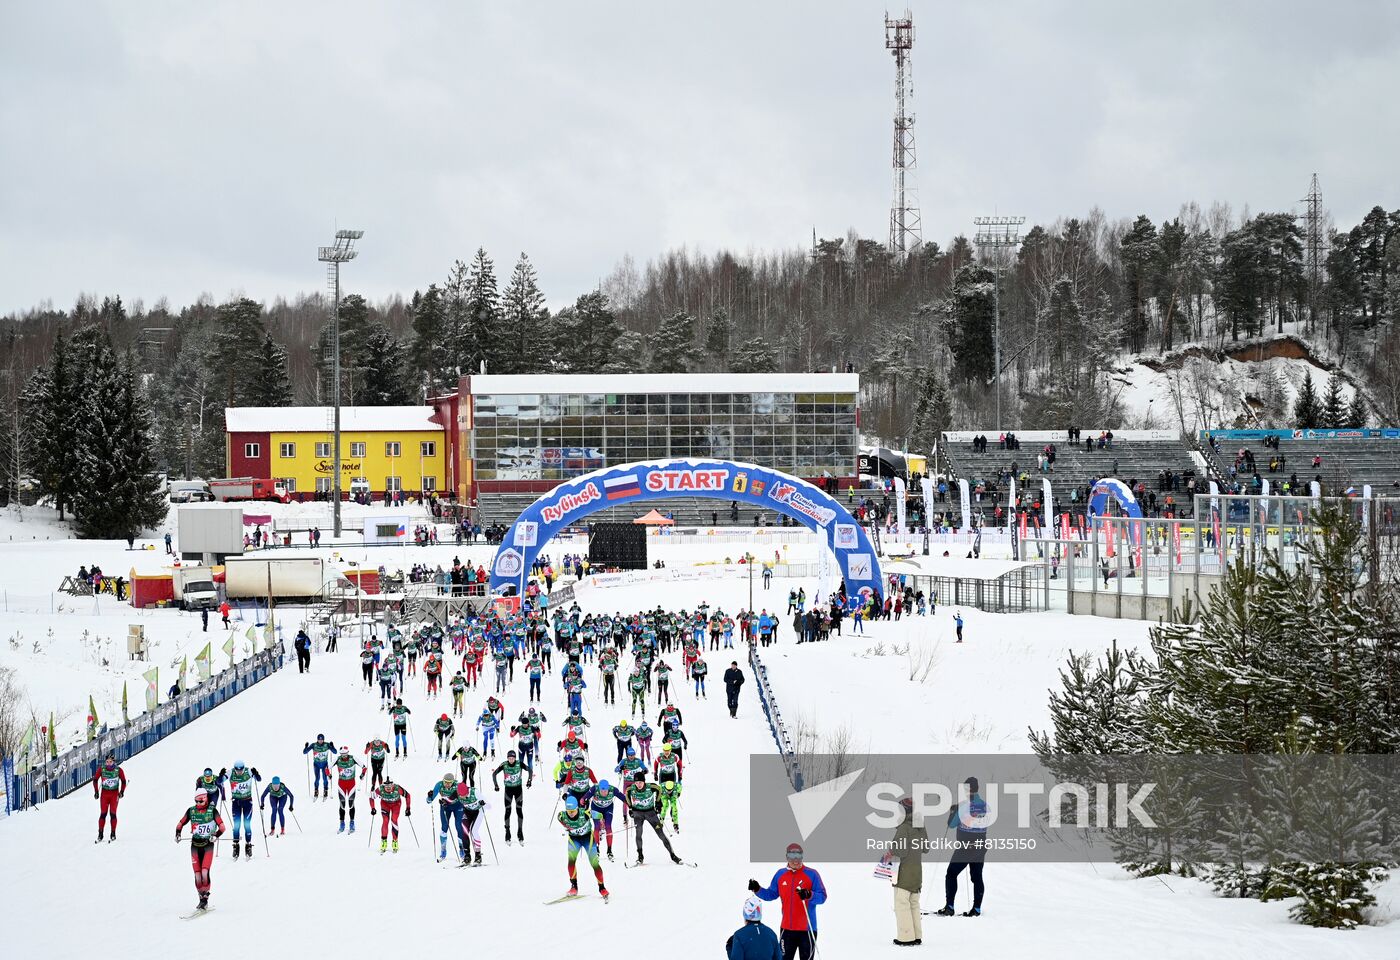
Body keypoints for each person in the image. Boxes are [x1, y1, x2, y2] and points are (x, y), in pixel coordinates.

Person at [749, 842, 827, 960]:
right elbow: (771, 894)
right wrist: (757, 889)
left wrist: (809, 894)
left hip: (807, 930)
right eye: (792, 856)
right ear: (787, 857)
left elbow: (822, 897)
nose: (795, 860)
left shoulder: (812, 874)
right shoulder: (781, 874)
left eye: (798, 856)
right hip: (787, 929)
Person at [936, 776, 987, 917]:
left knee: (951, 874)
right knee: (977, 877)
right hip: (980, 846)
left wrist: (954, 811)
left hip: (965, 847)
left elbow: (951, 825)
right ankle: (976, 909)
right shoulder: (985, 805)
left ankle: (950, 907)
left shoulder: (964, 806)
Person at [175, 788, 225, 913]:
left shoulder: (212, 811)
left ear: (206, 799)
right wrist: (178, 834)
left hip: (207, 845)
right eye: (196, 801)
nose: (198, 804)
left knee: (204, 872)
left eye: (201, 801)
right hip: (195, 846)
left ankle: (205, 898)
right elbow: (180, 824)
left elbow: (223, 827)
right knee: (197, 875)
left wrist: (216, 835)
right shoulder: (191, 811)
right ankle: (201, 898)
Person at [890, 795, 929, 945]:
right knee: (914, 903)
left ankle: (906, 938)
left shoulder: (904, 827)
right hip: (917, 873)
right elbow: (926, 848)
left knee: (902, 903)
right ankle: (917, 936)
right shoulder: (921, 826)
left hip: (904, 872)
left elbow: (901, 851)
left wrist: (890, 851)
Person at [623, 770, 682, 865]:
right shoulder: (631, 789)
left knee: (661, 834)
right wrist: (630, 808)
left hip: (651, 814)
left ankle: (673, 855)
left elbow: (659, 789)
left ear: (644, 781)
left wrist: (658, 803)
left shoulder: (651, 787)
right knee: (638, 834)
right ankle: (640, 856)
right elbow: (626, 795)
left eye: (640, 782)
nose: (638, 784)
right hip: (638, 815)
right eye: (636, 782)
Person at [558, 795, 609, 900]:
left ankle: (602, 888)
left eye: (572, 811)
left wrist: (602, 825)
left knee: (594, 864)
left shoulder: (585, 813)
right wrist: (567, 827)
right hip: (574, 840)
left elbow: (599, 815)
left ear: (577, 808)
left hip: (587, 840)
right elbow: (560, 819)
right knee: (571, 862)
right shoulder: (562, 815)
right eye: (568, 811)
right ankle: (574, 887)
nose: (571, 814)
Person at [226, 760, 262, 858]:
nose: (239, 772)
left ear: (243, 768)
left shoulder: (249, 771)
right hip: (236, 802)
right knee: (236, 825)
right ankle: (236, 846)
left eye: (241, 770)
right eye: (237, 771)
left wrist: (256, 773)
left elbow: (259, 779)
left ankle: (248, 845)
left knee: (247, 824)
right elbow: (219, 781)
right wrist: (221, 775)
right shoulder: (230, 772)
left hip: (247, 802)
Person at [370, 774, 411, 854]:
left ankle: (395, 842)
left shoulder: (397, 788)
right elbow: (371, 797)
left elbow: (408, 795)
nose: (388, 788)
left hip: (396, 805)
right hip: (385, 805)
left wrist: (408, 808)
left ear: (393, 784)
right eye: (386, 786)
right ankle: (384, 842)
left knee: (394, 820)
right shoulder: (380, 789)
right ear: (383, 785)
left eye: (390, 786)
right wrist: (373, 808)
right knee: (385, 821)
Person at [92, 752, 126, 842]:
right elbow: (95, 780)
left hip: (114, 795)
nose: (108, 764)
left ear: (113, 762)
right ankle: (100, 834)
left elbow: (124, 781)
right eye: (107, 762)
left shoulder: (118, 770)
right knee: (103, 814)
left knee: (113, 814)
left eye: (110, 762)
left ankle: (113, 833)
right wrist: (96, 792)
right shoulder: (102, 769)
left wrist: (122, 792)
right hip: (104, 795)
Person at [303, 734, 335, 798]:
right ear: (317, 739)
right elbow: (305, 752)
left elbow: (335, 752)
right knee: (317, 778)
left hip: (324, 765)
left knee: (325, 778)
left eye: (322, 739)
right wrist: (306, 747)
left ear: (323, 739)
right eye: (319, 739)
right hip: (316, 765)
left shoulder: (327, 744)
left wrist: (332, 746)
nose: (320, 741)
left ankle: (325, 790)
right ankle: (316, 790)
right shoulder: (314, 745)